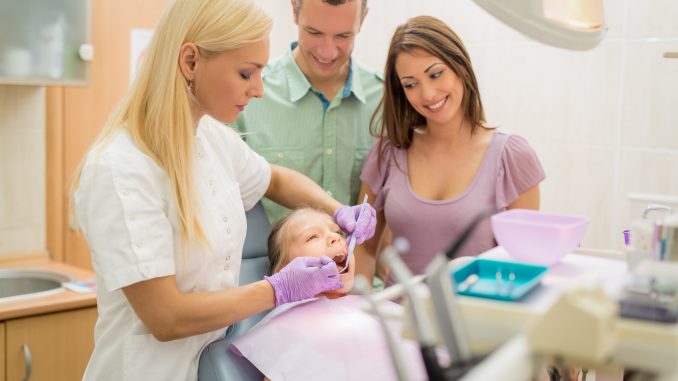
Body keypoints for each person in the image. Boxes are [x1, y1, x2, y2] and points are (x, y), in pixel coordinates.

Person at [68, 1, 375, 380]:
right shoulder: (121, 168)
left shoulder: (212, 139)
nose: (259, 90)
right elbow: (166, 317)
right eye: (247, 72)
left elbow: (274, 179)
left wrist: (337, 210)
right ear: (191, 62)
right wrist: (277, 290)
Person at [356, 16, 545, 284]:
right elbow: (363, 247)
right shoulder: (387, 153)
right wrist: (359, 312)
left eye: (435, 74)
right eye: (411, 84)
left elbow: (523, 265)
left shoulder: (511, 156)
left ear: (460, 66)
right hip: (398, 319)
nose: (428, 94)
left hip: (473, 320)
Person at [233, 0, 384, 225]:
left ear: (362, 20)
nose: (328, 51)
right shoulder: (245, 98)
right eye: (314, 32)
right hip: (269, 260)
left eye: (343, 36)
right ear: (294, 10)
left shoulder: (386, 100)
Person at [267, 207, 356, 296]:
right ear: (284, 273)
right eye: (312, 237)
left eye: (338, 232)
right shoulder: (296, 310)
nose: (336, 237)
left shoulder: (365, 302)